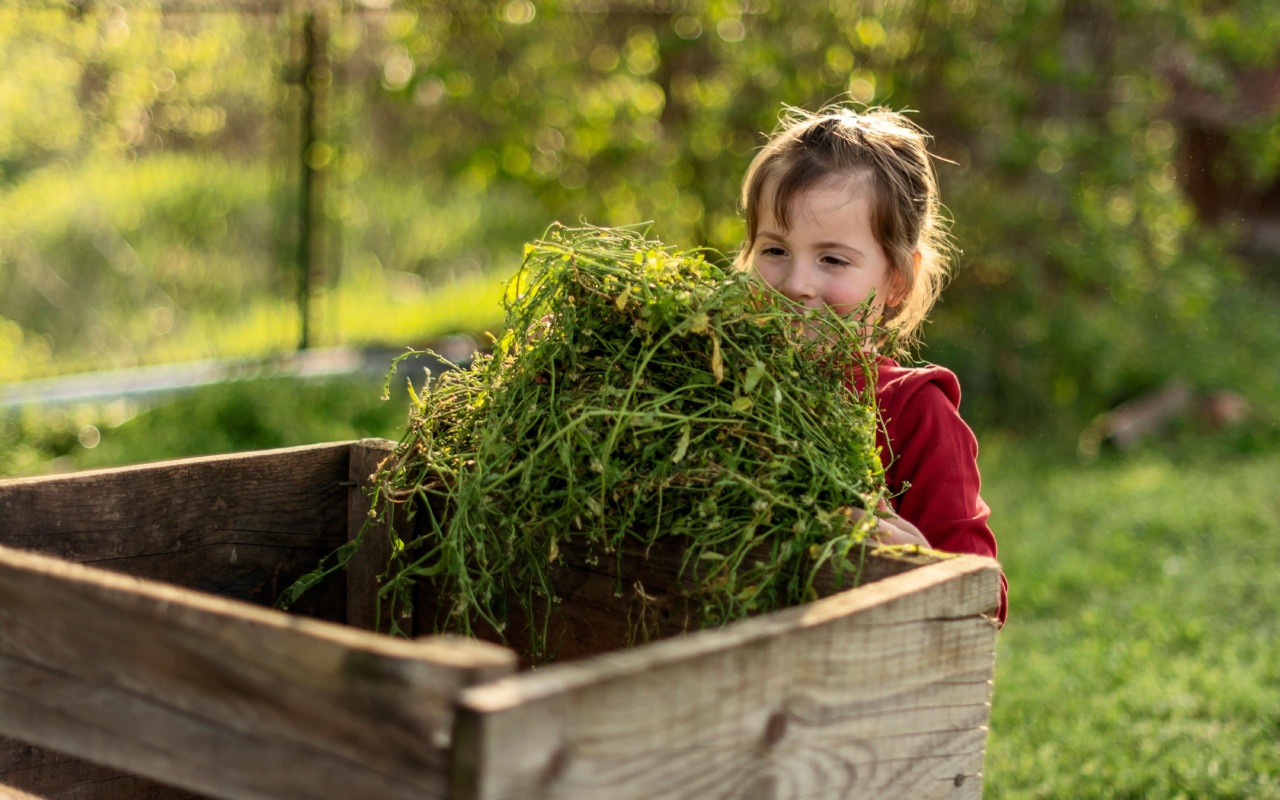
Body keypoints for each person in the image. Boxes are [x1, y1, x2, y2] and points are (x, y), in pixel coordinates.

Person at [733, 105, 1008, 627]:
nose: (797, 283)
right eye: (774, 249)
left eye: (832, 259)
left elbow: (983, 602)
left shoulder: (912, 412)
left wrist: (922, 565)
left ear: (897, 282)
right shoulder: (715, 390)